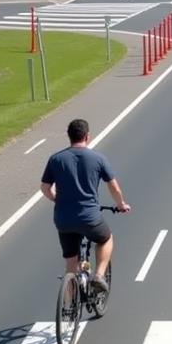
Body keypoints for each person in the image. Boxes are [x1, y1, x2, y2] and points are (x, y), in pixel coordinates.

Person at [40, 118, 130, 292]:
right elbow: (114, 187)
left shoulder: (56, 159)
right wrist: (121, 204)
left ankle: (68, 309)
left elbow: (44, 188)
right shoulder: (98, 158)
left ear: (69, 136)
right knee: (106, 239)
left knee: (70, 265)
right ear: (87, 136)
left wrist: (56, 199)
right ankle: (99, 275)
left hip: (63, 219)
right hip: (90, 218)